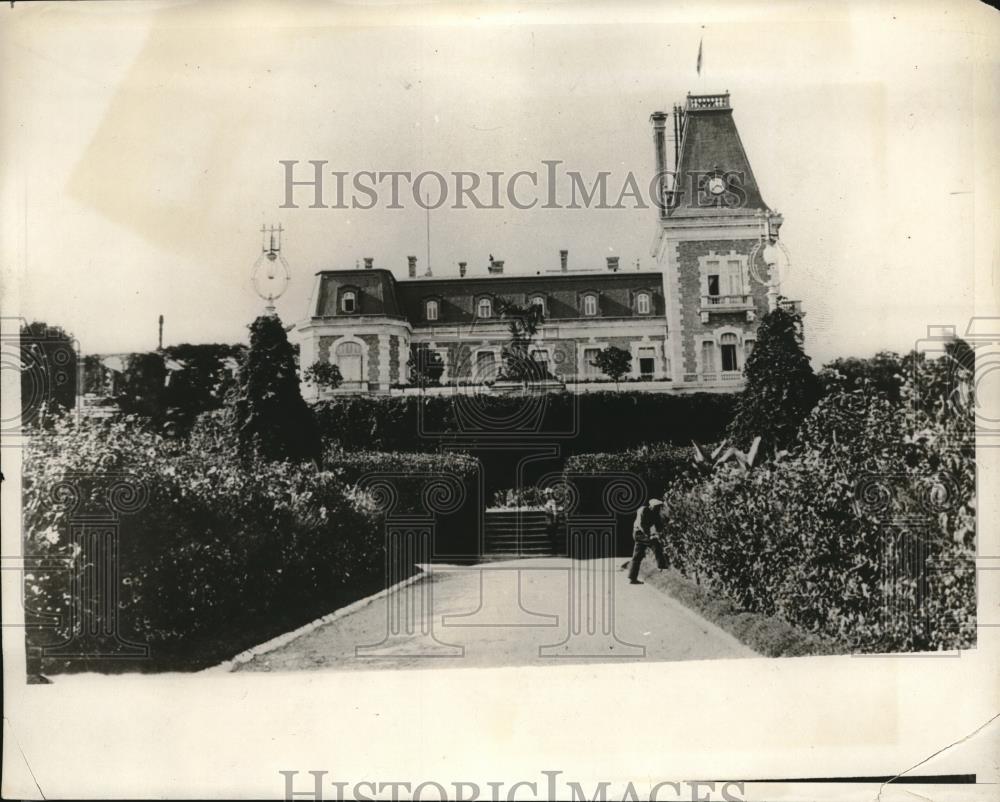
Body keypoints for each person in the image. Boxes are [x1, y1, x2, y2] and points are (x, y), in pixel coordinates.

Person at [625, 498, 668, 584]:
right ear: (651, 506)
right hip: (639, 533)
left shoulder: (655, 514)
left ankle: (632, 578)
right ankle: (662, 566)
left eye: (659, 507)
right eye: (657, 507)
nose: (658, 509)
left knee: (637, 556)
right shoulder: (643, 510)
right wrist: (649, 535)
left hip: (643, 534)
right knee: (655, 544)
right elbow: (641, 525)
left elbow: (659, 526)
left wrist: (661, 533)